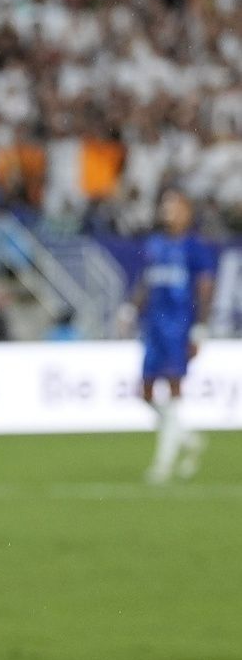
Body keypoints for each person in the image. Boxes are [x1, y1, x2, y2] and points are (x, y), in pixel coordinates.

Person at [128, 188, 215, 484]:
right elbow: (145, 282)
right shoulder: (154, 244)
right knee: (145, 392)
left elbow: (204, 289)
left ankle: (163, 464)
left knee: (175, 389)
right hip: (153, 327)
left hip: (178, 328)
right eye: (165, 206)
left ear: (186, 212)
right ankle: (186, 437)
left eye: (174, 206)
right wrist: (130, 309)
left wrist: (200, 327)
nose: (168, 212)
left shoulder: (195, 247)